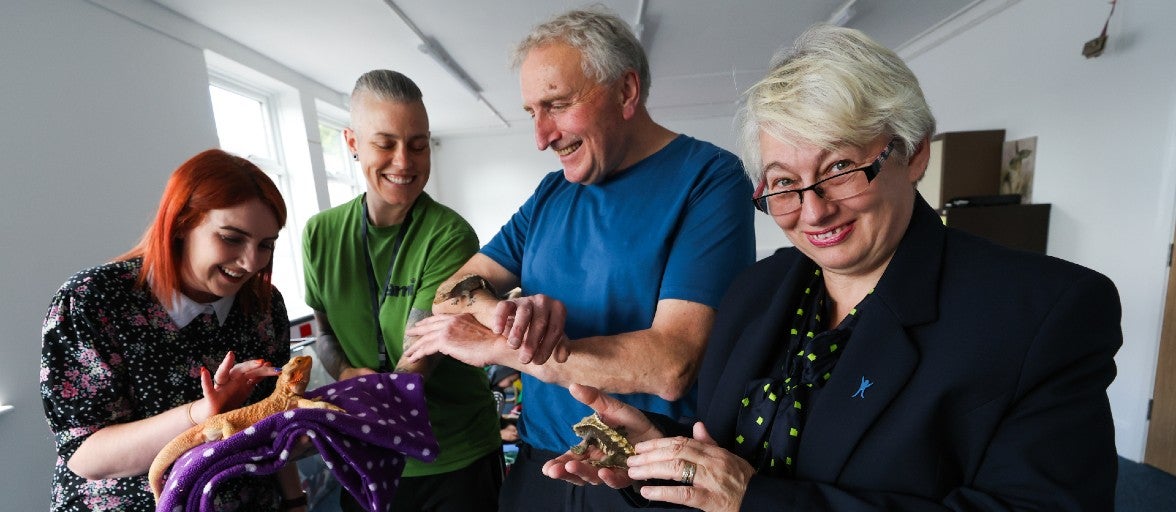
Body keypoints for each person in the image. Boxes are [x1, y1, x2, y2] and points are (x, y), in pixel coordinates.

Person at [539, 24, 1123, 511]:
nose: (813, 210)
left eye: (841, 167)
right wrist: (659, 450)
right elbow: (737, 458)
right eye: (783, 183)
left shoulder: (1043, 314)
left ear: (913, 151)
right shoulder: (755, 291)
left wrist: (755, 501)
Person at [403, 7, 756, 510]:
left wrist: (505, 350)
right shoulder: (552, 193)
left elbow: (671, 364)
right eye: (532, 112)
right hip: (540, 466)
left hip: (642, 472)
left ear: (626, 91)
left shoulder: (709, 179)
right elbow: (448, 293)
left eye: (557, 104)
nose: (541, 136)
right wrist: (501, 314)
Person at [40, 149, 305, 511]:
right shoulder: (94, 301)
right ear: (181, 223)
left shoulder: (263, 305)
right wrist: (200, 415)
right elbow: (86, 455)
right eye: (231, 238)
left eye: (265, 245)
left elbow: (274, 416)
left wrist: (295, 501)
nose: (250, 262)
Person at [301, 69, 503, 511]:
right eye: (385, 143)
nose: (404, 162)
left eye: (418, 145)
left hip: (453, 457)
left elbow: (418, 359)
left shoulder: (448, 234)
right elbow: (324, 333)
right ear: (352, 143)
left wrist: (315, 416)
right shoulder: (320, 234)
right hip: (365, 453)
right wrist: (345, 374)